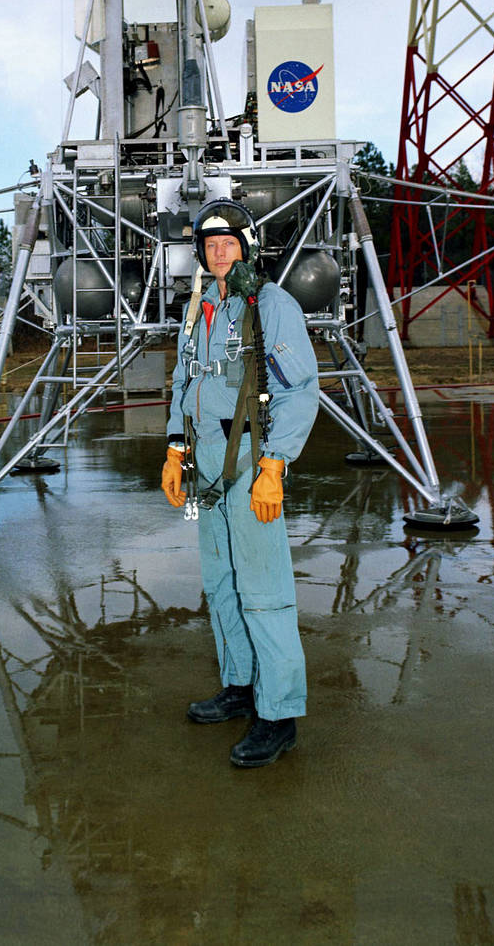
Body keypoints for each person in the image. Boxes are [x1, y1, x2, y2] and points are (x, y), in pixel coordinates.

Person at [161, 200, 320, 768]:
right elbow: (185, 379)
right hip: (204, 463)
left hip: (250, 460)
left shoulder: (270, 306)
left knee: (264, 589)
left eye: (228, 240)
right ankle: (241, 685)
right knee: (221, 582)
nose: (218, 249)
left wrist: (274, 465)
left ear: (247, 245)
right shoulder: (201, 307)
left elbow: (300, 390)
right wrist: (175, 449)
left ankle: (278, 715)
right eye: (209, 243)